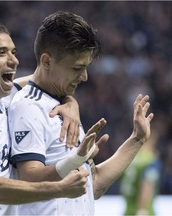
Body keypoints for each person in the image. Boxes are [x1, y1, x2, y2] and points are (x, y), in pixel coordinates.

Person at [0, 19, 100, 215]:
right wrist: (61, 189)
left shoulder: (3, 98)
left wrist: (70, 103)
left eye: (13, 52)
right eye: (1, 52)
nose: (14, 60)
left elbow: (45, 81)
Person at [8, 11, 154, 215]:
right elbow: (28, 180)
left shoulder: (64, 108)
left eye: (86, 68)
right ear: (47, 61)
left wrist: (136, 139)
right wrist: (75, 161)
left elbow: (91, 188)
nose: (84, 77)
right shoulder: (28, 107)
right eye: (77, 68)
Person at [120, 124, 161, 216]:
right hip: (142, 211)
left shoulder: (130, 158)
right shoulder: (150, 161)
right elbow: (147, 184)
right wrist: (142, 210)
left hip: (128, 210)